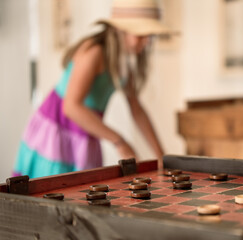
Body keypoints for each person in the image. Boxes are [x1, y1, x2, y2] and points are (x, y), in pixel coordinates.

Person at [13, 0, 171, 178]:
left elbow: (137, 110)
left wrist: (162, 156)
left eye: (149, 36)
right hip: (57, 133)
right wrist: (120, 142)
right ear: (120, 29)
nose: (146, 41)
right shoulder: (94, 52)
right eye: (141, 35)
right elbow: (71, 107)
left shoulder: (124, 63)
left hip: (84, 135)